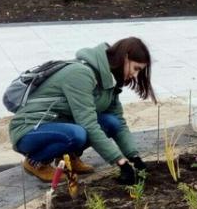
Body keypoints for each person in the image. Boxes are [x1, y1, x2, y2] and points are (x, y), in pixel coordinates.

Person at [9, 38, 153, 183]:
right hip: (30, 129)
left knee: (111, 122)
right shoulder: (81, 74)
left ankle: (68, 156)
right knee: (77, 134)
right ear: (125, 57)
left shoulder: (110, 79)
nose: (135, 75)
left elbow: (119, 122)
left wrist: (134, 157)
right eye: (136, 69)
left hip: (61, 125)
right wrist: (120, 162)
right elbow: (88, 123)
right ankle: (36, 161)